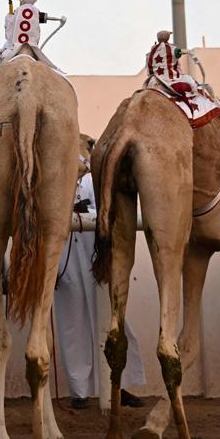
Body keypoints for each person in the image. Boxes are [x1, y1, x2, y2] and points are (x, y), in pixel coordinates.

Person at [52, 168, 146, 410]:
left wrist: (86, 213)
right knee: (72, 324)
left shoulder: (94, 177)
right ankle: (79, 391)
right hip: (65, 260)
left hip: (96, 257)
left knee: (113, 321)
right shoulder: (53, 175)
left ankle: (119, 385)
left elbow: (108, 209)